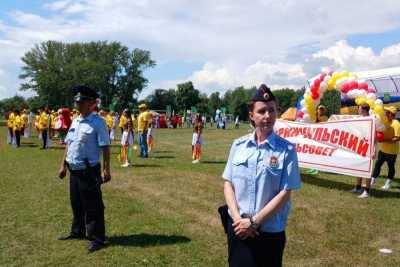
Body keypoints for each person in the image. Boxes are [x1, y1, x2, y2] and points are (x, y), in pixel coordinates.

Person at [222, 84, 301, 267]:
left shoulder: (287, 150)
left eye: (272, 110)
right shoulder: (238, 145)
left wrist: (254, 222)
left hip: (269, 233)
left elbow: (285, 193)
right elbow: (228, 183)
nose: (268, 116)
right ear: (251, 115)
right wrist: (238, 221)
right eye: (262, 111)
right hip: (238, 229)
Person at [58, 85, 111, 253]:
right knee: (77, 203)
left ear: (91, 103)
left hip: (89, 171)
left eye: (81, 101)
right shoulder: (76, 120)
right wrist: (63, 165)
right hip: (74, 169)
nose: (77, 104)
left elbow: (105, 146)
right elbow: (69, 144)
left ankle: (97, 238)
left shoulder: (98, 123)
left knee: (93, 206)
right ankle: (77, 231)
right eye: (76, 101)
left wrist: (106, 169)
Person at [370, 106, 400, 190]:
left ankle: (388, 183)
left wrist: (384, 140)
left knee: (390, 167)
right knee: (377, 165)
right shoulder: (385, 122)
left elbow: (397, 138)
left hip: (392, 151)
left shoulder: (396, 123)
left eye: (387, 112)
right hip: (383, 150)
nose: (385, 113)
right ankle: (373, 180)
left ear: (391, 114)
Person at [349, 104, 373, 198]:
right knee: (359, 167)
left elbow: (374, 136)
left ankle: (367, 191)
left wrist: (373, 149)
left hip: (368, 148)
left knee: (367, 170)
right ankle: (358, 187)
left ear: (364, 110)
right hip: (359, 147)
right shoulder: (360, 119)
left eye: (359, 109)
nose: (358, 110)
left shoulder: (371, 120)